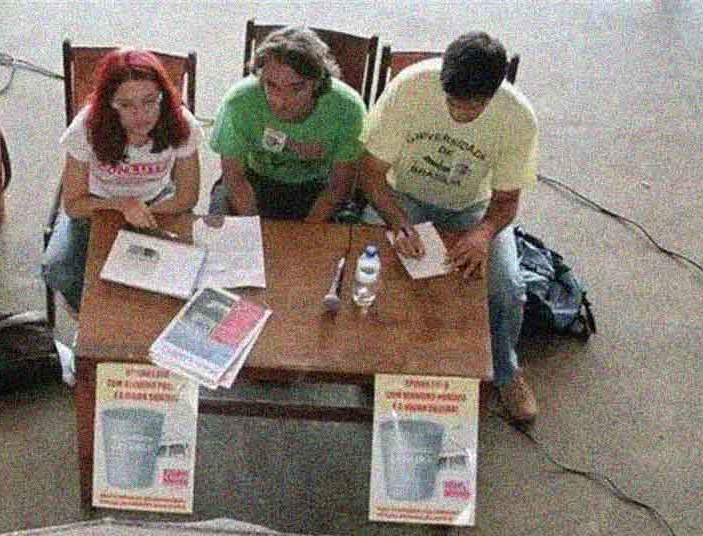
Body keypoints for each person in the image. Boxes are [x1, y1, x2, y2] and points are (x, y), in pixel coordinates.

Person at [359, 32, 539, 422]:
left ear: (495, 91)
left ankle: (506, 371)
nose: (460, 114)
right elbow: (371, 173)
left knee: (506, 286)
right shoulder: (409, 88)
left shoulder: (517, 117)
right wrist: (399, 222)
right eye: (453, 102)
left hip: (471, 209)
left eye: (473, 107)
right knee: (376, 269)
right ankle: (376, 363)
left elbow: (506, 201)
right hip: (402, 196)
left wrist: (482, 233)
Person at [42, 49, 203, 314]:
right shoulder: (85, 128)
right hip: (97, 204)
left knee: (180, 280)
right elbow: (73, 205)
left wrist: (140, 213)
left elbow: (186, 197)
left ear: (163, 96)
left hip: (158, 202)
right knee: (60, 269)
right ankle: (88, 318)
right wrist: (120, 206)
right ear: (109, 104)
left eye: (150, 101)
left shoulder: (182, 124)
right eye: (126, 105)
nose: (141, 115)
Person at [208, 27, 365, 221]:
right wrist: (256, 231)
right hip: (253, 182)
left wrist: (303, 235)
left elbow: (339, 187)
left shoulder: (347, 107)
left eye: (296, 88)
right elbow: (234, 178)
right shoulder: (239, 101)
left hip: (318, 188)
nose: (282, 101)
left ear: (317, 82)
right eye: (271, 86)